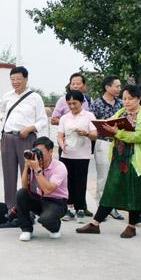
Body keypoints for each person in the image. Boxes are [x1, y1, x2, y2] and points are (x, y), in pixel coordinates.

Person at [77, 84, 141, 238]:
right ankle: (95, 223)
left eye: (130, 98)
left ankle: (131, 226)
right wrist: (106, 128)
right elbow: (109, 126)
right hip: (119, 159)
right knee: (110, 190)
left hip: (137, 161)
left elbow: (139, 136)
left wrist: (117, 132)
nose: (126, 102)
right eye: (124, 98)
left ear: (138, 98)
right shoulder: (122, 112)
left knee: (134, 193)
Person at [0, 66, 48, 209]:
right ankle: (10, 207)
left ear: (26, 79)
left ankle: (30, 207)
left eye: (19, 79)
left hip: (26, 138)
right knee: (8, 174)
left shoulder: (35, 97)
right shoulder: (7, 96)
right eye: (12, 79)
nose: (15, 82)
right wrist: (3, 119)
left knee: (29, 173)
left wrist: (30, 128)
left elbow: (43, 120)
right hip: (8, 138)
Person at [15, 137, 69, 241]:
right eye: (36, 151)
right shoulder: (36, 164)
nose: (38, 155)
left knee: (45, 220)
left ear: (50, 152)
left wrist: (37, 170)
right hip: (42, 199)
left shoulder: (59, 167)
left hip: (58, 202)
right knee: (21, 193)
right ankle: (26, 230)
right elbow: (25, 187)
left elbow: (48, 190)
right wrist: (27, 166)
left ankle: (55, 227)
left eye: (41, 152)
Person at [57, 91, 97, 222]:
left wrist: (86, 134)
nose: (72, 106)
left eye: (75, 103)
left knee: (80, 182)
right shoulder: (64, 118)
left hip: (82, 155)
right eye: (69, 104)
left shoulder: (89, 116)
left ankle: (80, 209)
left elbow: (95, 134)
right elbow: (60, 135)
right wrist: (62, 145)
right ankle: (69, 209)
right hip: (67, 154)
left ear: (82, 102)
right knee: (67, 182)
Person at [89, 76, 124, 220]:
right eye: (117, 86)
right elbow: (91, 124)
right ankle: (101, 209)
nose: (119, 89)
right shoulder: (96, 104)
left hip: (119, 143)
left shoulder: (121, 104)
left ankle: (113, 208)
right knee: (103, 177)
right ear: (107, 87)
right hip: (103, 142)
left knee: (116, 176)